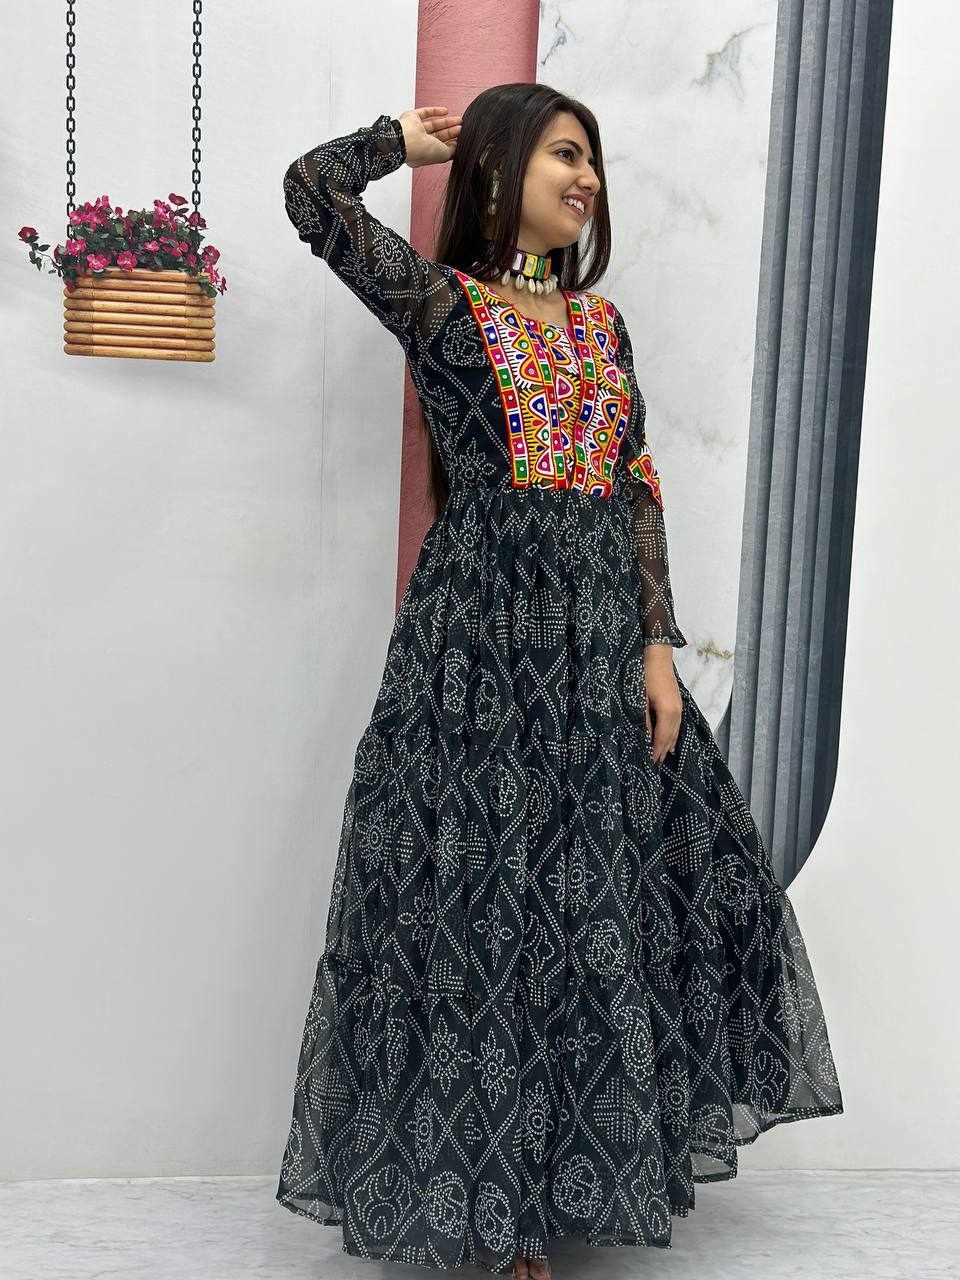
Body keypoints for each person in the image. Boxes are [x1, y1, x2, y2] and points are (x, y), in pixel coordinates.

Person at [275, 84, 843, 1278]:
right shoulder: (443, 304)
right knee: (487, 909)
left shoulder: (603, 327)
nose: (588, 177)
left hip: (597, 645)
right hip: (480, 649)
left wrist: (657, 647)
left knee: (598, 909)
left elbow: (634, 484)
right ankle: (498, 1214)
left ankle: (563, 1178)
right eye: (564, 153)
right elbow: (311, 197)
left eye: (594, 159)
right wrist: (398, 143)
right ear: (497, 170)